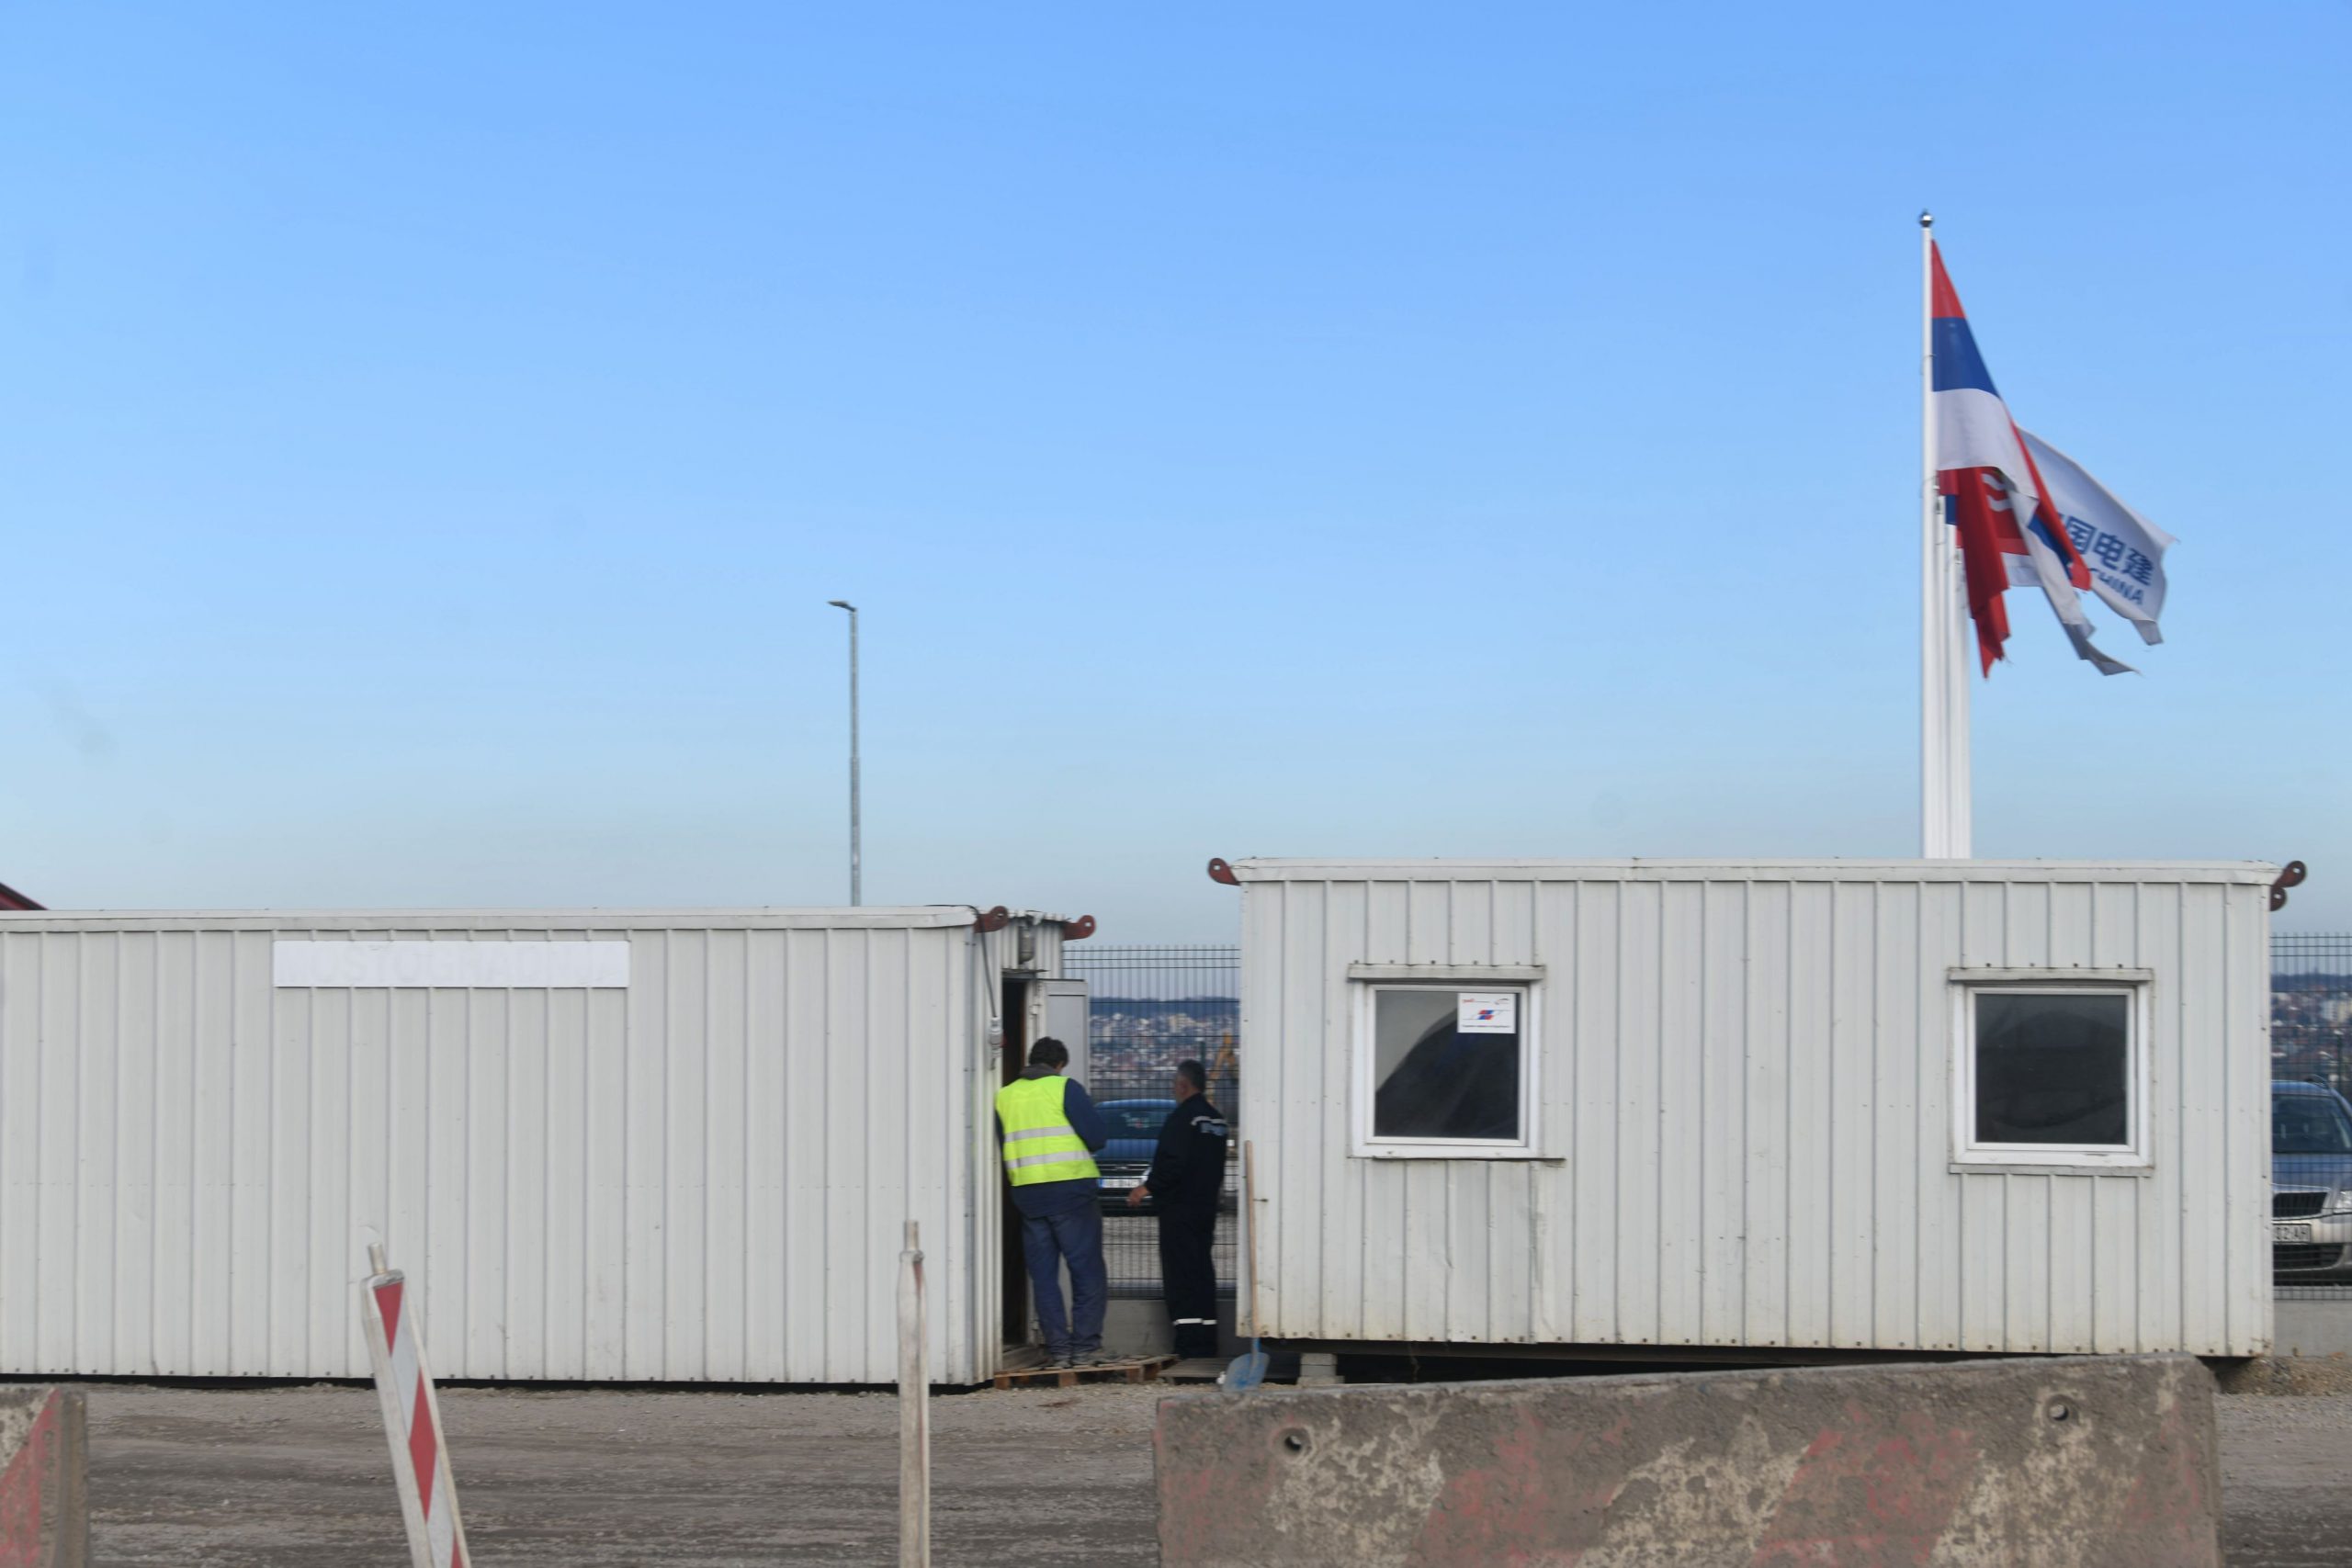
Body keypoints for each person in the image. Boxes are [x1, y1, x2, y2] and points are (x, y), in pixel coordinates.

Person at [995, 1036, 1113, 1367]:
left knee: (1044, 1277)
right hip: (1072, 1192)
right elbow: (1097, 1138)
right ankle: (1085, 1348)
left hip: (1029, 1197)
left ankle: (1059, 1351)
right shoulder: (1064, 1088)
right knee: (1086, 1270)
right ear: (1058, 1065)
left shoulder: (1005, 1096)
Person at [1126, 1058, 1230, 1359]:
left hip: (1179, 1209)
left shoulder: (1183, 1118)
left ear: (1183, 1085)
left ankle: (1187, 1343)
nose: (1174, 1090)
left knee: (1180, 1276)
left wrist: (1147, 1187)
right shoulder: (1217, 1121)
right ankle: (1207, 1340)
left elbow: (1172, 1162)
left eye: (1175, 1084)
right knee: (1202, 1271)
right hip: (1206, 1208)